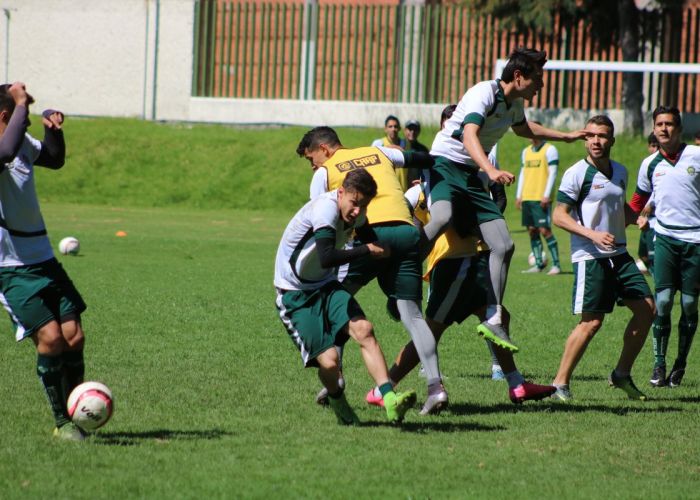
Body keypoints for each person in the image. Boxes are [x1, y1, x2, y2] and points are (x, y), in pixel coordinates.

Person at [423, 47, 586, 353]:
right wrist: (491, 170)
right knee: (442, 216)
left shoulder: (513, 105)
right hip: (443, 164)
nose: (541, 84)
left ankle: (494, 316)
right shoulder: (483, 92)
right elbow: (468, 134)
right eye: (537, 78)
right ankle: (404, 260)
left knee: (504, 245)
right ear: (518, 76)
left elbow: (525, 128)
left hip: (470, 175)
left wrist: (568, 137)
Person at [363, 181, 556, 412]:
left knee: (498, 317)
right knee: (431, 330)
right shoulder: (432, 186)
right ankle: (383, 389)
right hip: (454, 263)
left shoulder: (461, 177)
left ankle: (517, 384)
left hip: (472, 259)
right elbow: (420, 224)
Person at [299, 126, 447, 415]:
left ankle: (335, 379)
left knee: (334, 303)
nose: (312, 165)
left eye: (310, 158)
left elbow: (320, 216)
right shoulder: (377, 150)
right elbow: (422, 158)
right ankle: (436, 388)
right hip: (406, 231)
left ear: (325, 149)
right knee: (414, 317)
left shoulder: (325, 172)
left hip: (371, 237)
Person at [274, 168, 416, 425]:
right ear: (341, 193)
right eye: (353, 203)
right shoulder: (326, 209)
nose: (357, 212)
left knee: (364, 329)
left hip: (325, 284)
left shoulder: (355, 210)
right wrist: (367, 250)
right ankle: (338, 401)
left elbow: (370, 237)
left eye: (363, 206)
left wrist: (388, 250)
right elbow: (327, 255)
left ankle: (389, 399)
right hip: (295, 292)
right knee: (330, 363)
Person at [0, 82, 89, 441]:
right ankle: (62, 423)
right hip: (11, 268)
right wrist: (22, 104)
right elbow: (4, 152)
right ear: (7, 115)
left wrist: (54, 131)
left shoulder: (20, 142)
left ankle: (79, 411)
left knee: (74, 336)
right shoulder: (5, 146)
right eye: (21, 111)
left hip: (45, 260)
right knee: (51, 339)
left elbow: (53, 159)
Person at [550, 115, 655, 401]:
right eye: (591, 135)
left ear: (612, 140)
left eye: (603, 136)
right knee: (591, 322)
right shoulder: (576, 173)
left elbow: (618, 207)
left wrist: (637, 218)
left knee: (647, 310)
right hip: (590, 255)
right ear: (585, 138)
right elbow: (559, 216)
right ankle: (560, 383)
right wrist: (591, 234)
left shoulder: (620, 170)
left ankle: (621, 374)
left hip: (619, 254)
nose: (596, 141)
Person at [631, 106, 700, 388]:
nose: (664, 129)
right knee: (662, 301)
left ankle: (680, 364)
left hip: (696, 242)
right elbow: (637, 201)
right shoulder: (649, 164)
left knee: (689, 303)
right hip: (665, 240)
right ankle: (659, 365)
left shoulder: (696, 156)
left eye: (669, 124)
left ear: (679, 128)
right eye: (659, 124)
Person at [515, 121, 562, 275]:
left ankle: (556, 264)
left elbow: (553, 173)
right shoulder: (526, 151)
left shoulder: (550, 150)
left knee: (544, 230)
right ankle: (539, 264)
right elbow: (522, 173)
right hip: (528, 196)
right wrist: (519, 195)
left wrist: (547, 195)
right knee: (531, 230)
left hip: (541, 197)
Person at [635, 133, 659, 277]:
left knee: (653, 259)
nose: (655, 149)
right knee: (642, 256)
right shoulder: (647, 164)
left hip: (656, 220)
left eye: (657, 145)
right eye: (652, 145)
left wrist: (651, 204)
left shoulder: (665, 164)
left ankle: (661, 293)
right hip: (645, 220)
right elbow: (642, 191)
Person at [396, 119, 428, 191]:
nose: (412, 132)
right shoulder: (398, 147)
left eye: (415, 129)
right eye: (410, 129)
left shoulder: (423, 150)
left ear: (419, 131)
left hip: (416, 187)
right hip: (400, 186)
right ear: (405, 130)